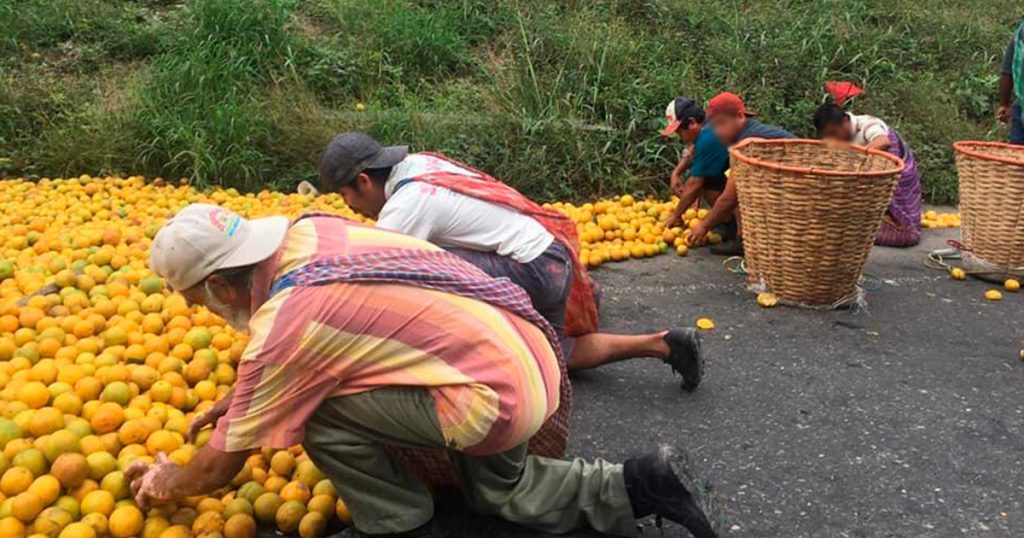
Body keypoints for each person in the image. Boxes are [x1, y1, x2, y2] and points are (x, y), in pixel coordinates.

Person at [127, 204, 723, 538]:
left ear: (220, 285)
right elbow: (318, 340)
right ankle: (644, 482)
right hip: (529, 354)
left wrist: (166, 483)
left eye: (194, 298)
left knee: (314, 406)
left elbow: (217, 467)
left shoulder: (283, 329)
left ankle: (397, 521)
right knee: (500, 491)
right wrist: (242, 398)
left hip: (492, 398)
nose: (194, 309)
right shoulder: (313, 230)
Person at [316, 132, 704, 391]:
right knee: (557, 355)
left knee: (419, 274)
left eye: (345, 195)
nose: (350, 207)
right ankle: (665, 345)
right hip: (549, 255)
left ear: (364, 181)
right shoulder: (420, 165)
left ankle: (477, 362)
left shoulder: (405, 206)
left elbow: (376, 282)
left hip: (534, 269)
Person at [813, 84, 923, 247]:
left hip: (898, 177)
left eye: (834, 132)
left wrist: (857, 155)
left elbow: (883, 141)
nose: (833, 138)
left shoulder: (868, 124)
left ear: (845, 122)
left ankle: (890, 219)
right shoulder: (840, 137)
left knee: (906, 233)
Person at [687, 92, 795, 255]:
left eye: (721, 123)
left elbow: (729, 198)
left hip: (797, 192)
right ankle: (743, 237)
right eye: (714, 126)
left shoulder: (748, 142)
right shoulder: (742, 136)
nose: (717, 131)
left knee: (736, 192)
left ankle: (747, 242)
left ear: (739, 116)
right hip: (784, 188)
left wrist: (704, 226)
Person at [660, 97, 732, 232]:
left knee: (709, 182)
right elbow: (692, 150)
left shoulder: (708, 138)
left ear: (692, 122)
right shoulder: (708, 125)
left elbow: (695, 184)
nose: (680, 136)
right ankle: (726, 221)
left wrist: (675, 216)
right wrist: (676, 173)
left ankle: (736, 230)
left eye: (679, 131)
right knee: (711, 179)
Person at [999, 19, 1024, 145]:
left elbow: (1007, 72)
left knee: (1016, 159)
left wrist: (1004, 104)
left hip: (1021, 107)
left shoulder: (1020, 33)